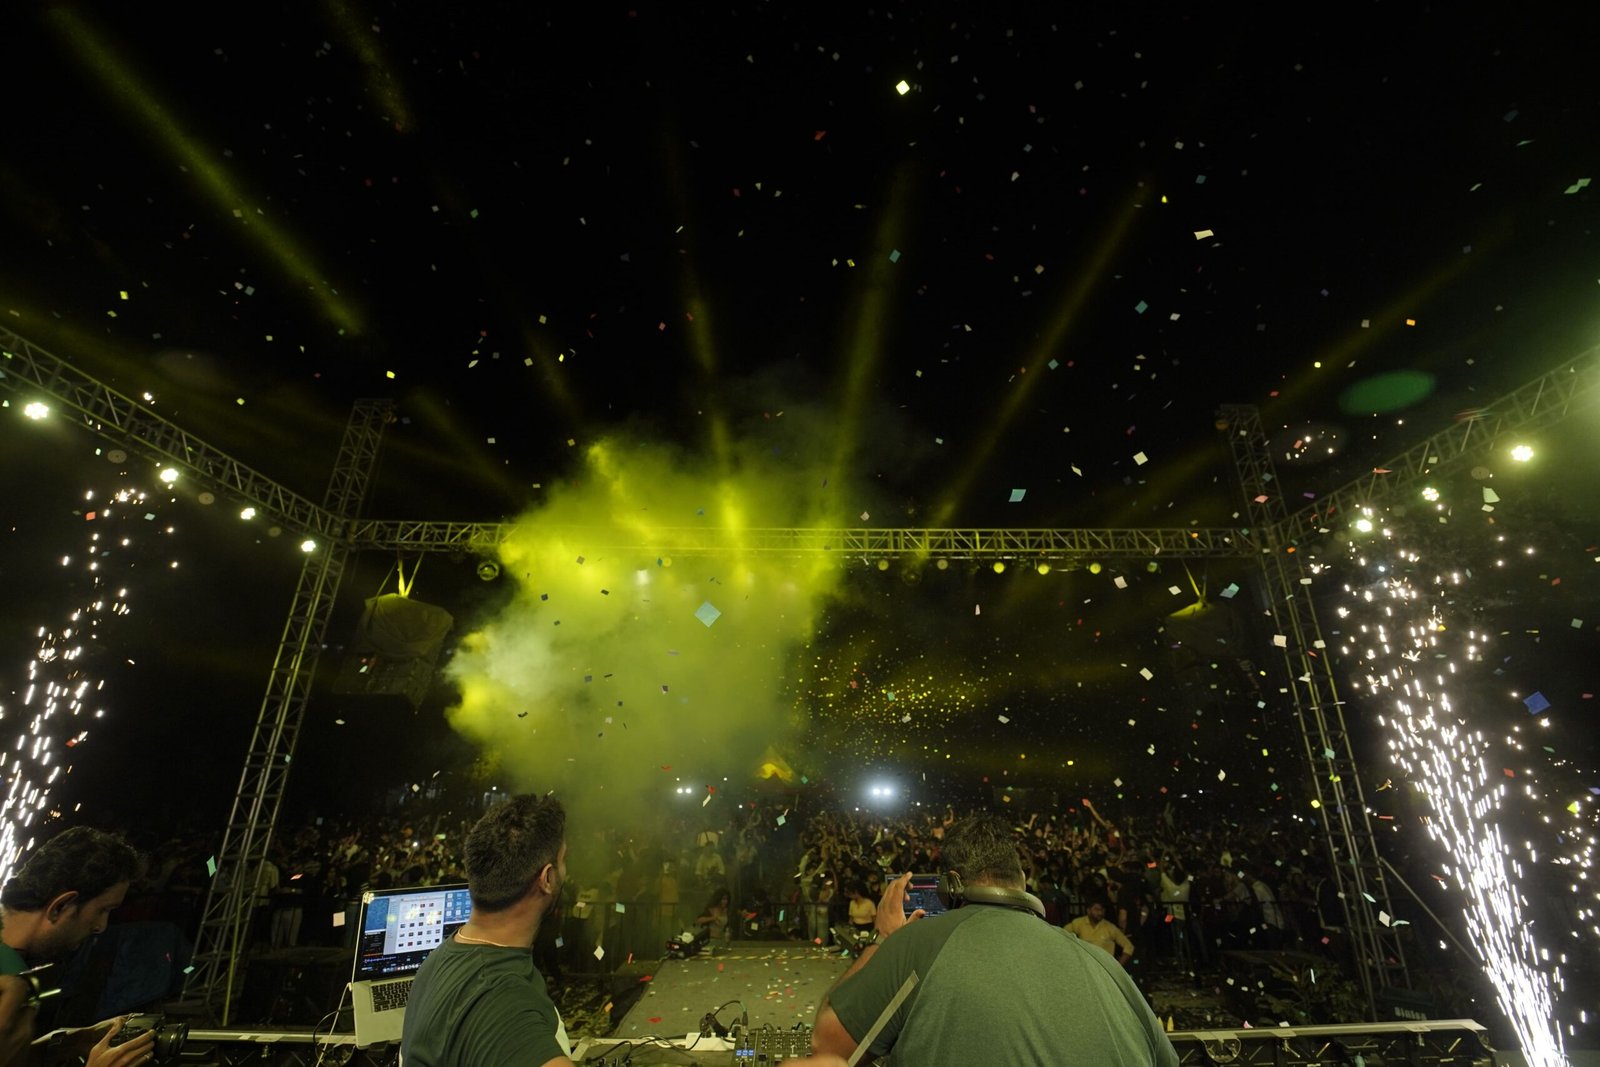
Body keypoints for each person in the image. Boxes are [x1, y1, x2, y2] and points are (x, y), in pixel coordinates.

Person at [793, 814, 1177, 1066]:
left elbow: (828, 1047)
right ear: (1022, 882)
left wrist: (884, 939)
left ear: (951, 886)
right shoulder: (1103, 963)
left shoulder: (920, 944)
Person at [400, 794, 574, 1067]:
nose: (568, 872)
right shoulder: (503, 1002)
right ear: (548, 878)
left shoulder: (439, 960)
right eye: (565, 861)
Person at [0, 828, 157, 1066]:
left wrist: (69, 1044)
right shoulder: (8, 982)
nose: (101, 926)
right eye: (103, 910)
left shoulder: (12, 964)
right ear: (61, 906)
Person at [1064, 900, 1135, 966]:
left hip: (1104, 968)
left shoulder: (1109, 927)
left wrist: (1117, 967)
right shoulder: (1079, 923)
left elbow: (1129, 947)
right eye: (1096, 909)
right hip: (1085, 966)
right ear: (1088, 910)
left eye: (1102, 910)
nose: (1100, 913)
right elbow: (1062, 934)